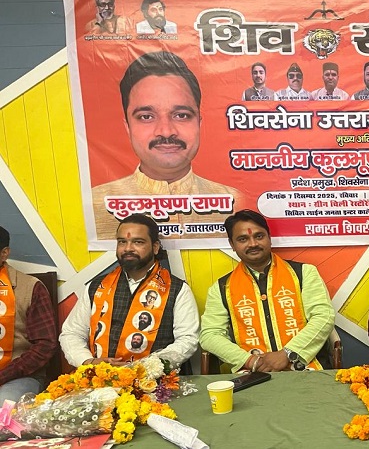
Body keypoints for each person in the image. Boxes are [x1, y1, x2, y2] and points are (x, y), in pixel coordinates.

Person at [92, 51, 243, 239]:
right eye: (146, 117)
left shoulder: (235, 203)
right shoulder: (95, 205)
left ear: (199, 123)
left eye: (181, 115)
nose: (165, 131)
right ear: (128, 127)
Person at [200, 210, 335, 372]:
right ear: (232, 245)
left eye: (259, 236)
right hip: (253, 374)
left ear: (269, 238)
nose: (253, 244)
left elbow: (323, 317)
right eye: (243, 239)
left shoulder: (304, 273)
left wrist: (287, 353)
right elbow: (210, 334)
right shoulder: (222, 288)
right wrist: (250, 361)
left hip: (306, 369)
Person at [60, 214, 200, 369]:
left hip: (156, 379)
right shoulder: (97, 286)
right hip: (101, 378)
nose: (128, 248)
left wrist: (149, 367)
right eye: (122, 242)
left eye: (138, 242)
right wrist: (89, 362)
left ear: (155, 247)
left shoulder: (177, 289)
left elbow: (187, 340)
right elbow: (72, 333)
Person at [0, 227, 58, 403]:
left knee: (3, 408)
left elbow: (45, 345)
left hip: (18, 376)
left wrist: (4, 375)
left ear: (4, 253)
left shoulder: (31, 287)